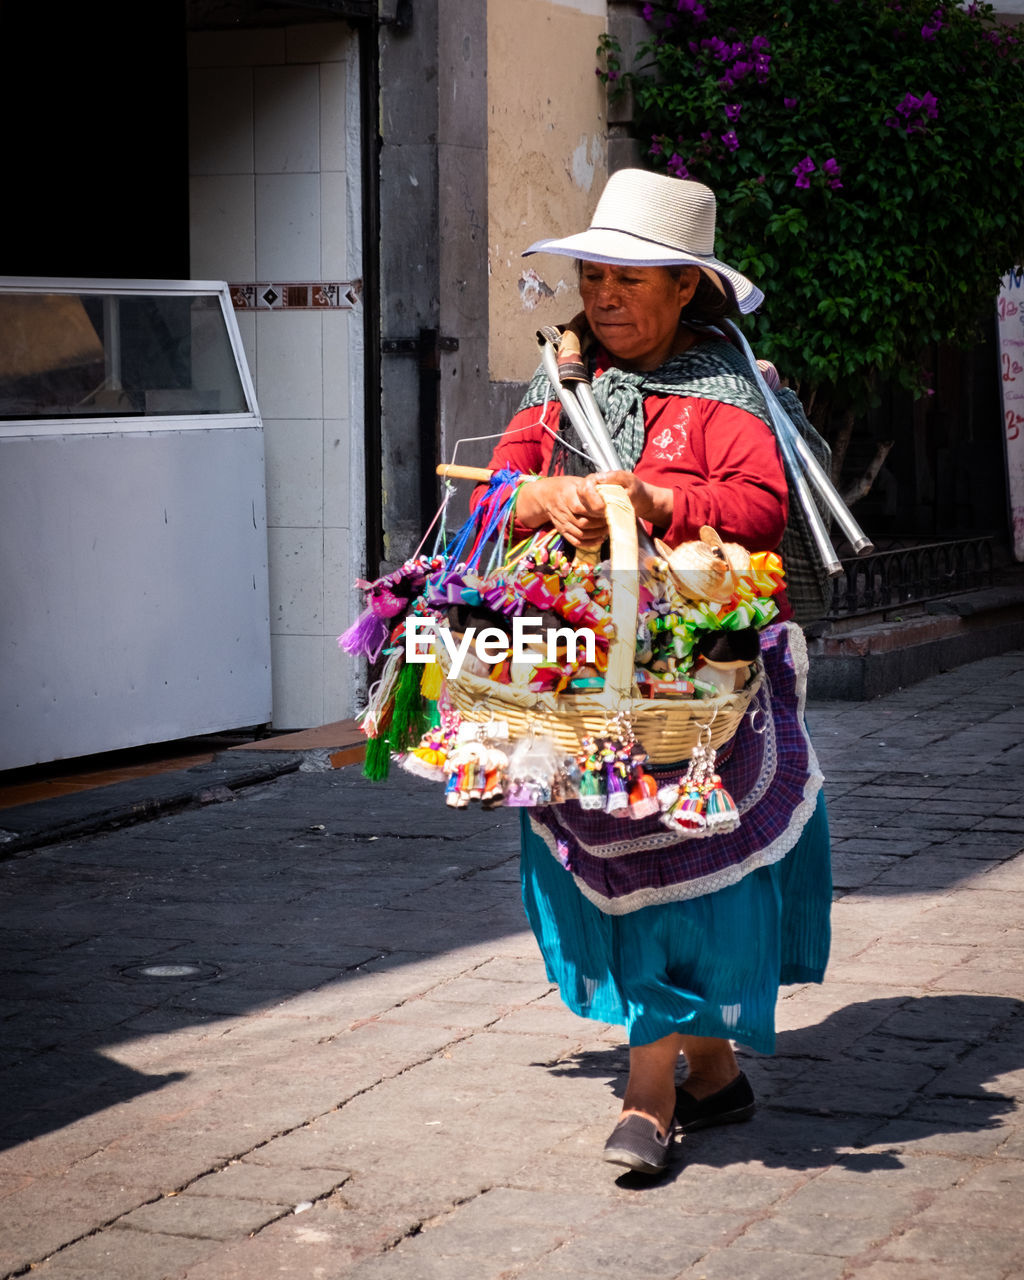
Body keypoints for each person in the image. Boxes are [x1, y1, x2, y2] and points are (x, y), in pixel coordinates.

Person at [479, 168, 832, 1176]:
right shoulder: (560, 386)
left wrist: (653, 500)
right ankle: (710, 1072)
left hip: (697, 690)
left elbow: (760, 509)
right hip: (584, 677)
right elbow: (495, 494)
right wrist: (546, 495)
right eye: (593, 274)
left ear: (686, 288)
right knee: (614, 872)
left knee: (680, 872)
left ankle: (650, 1093)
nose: (603, 294)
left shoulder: (726, 393)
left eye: (629, 278)